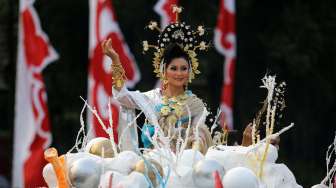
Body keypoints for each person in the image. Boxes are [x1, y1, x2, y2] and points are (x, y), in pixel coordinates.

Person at [101, 17, 213, 154]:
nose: (179, 73)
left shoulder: (195, 105)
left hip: (184, 163)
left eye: (184, 69)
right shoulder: (152, 98)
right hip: (153, 165)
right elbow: (122, 96)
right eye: (174, 68)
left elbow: (199, 136)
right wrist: (116, 61)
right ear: (164, 72)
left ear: (190, 72)